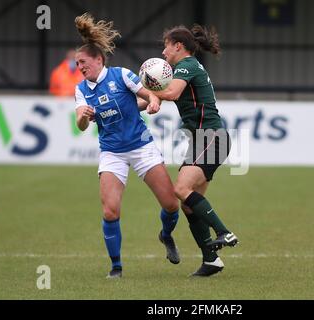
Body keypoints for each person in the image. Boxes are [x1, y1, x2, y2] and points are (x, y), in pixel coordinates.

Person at [73, 13, 180, 278]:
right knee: (110, 210)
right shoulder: (81, 90)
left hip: (142, 147)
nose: (80, 67)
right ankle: (116, 267)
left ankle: (166, 235)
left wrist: (154, 102)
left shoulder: (121, 76)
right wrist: (83, 117)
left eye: (83, 62)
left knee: (171, 205)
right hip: (111, 152)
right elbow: (80, 125)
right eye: (77, 64)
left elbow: (148, 95)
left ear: (98, 59)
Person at [152, 25, 239, 277]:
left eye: (166, 45)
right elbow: (154, 97)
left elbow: (171, 92)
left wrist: (151, 90)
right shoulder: (184, 69)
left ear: (178, 46)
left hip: (209, 138)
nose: (163, 50)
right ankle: (211, 261)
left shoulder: (187, 66)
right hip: (204, 140)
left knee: (180, 189)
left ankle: (224, 232)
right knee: (188, 205)